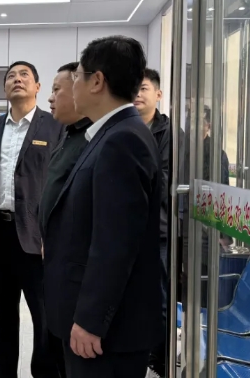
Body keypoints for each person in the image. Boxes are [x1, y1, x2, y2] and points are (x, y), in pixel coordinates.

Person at [42, 36, 162, 378]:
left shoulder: (122, 140)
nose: (73, 87)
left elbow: (116, 244)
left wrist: (90, 320)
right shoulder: (111, 134)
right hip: (98, 321)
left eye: (77, 77)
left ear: (97, 81)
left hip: (107, 332)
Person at [0, 61, 64, 378]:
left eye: (24, 75)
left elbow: (63, 184)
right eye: (11, 76)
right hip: (0, 234)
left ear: (38, 87)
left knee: (44, 317)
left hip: (39, 238)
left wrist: (56, 234)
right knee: (3, 315)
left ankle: (44, 374)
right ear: (4, 88)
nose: (17, 80)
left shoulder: (55, 126)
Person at [39, 61, 93, 377]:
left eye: (56, 89)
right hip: (60, 264)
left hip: (80, 276)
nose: (50, 98)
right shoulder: (70, 135)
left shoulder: (98, 140)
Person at [133, 68, 170, 377]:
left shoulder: (170, 134)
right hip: (127, 231)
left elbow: (166, 182)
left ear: (158, 94)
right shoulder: (124, 127)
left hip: (159, 231)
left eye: (144, 88)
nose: (137, 93)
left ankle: (158, 358)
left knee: (159, 298)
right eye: (134, 87)